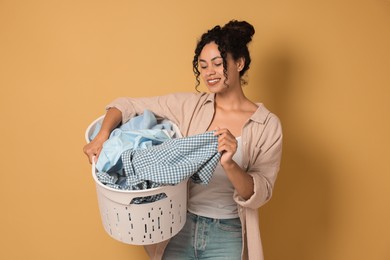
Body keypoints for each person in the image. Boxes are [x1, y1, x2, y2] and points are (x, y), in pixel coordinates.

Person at [83, 20, 283, 260]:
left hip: (227, 233)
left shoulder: (266, 125)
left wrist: (230, 163)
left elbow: (259, 193)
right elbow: (127, 105)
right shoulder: (190, 106)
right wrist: (102, 136)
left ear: (239, 63)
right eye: (203, 65)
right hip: (180, 226)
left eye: (218, 64)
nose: (209, 72)